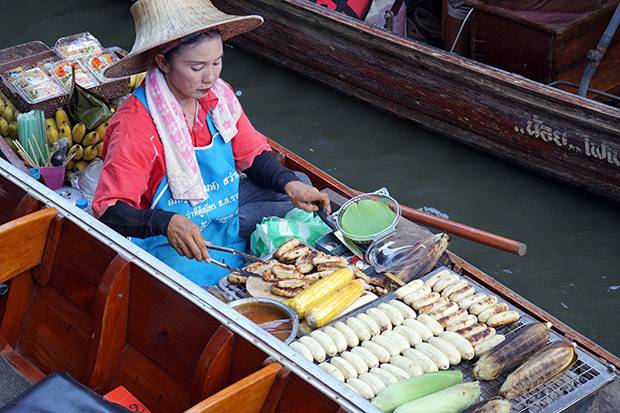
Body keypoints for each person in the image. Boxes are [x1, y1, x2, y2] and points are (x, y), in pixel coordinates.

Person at [93, 0, 330, 287]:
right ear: (162, 62)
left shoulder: (218, 96)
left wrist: (289, 184)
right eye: (196, 67)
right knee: (196, 281)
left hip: (220, 213)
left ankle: (238, 234)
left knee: (298, 181)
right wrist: (165, 223)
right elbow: (109, 211)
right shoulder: (135, 125)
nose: (210, 77)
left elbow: (251, 154)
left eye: (217, 62)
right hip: (171, 236)